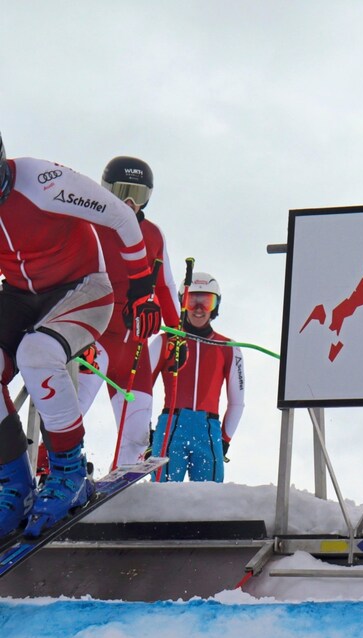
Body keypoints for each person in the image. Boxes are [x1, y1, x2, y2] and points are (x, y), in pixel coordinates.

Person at [0, 132, 162, 538]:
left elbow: (122, 217)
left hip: (83, 287)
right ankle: (14, 486)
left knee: (37, 354)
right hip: (20, 294)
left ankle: (69, 474)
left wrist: (143, 291)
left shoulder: (41, 181)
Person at [76, 157, 181, 468]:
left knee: (137, 434)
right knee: (70, 415)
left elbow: (165, 286)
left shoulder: (153, 235)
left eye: (139, 194)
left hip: (133, 347)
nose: (130, 203)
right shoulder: (89, 226)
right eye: (122, 192)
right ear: (106, 191)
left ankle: (125, 484)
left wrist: (178, 336)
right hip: (94, 340)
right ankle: (50, 470)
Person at [149, 272, 245, 482]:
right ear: (182, 303)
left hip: (208, 429)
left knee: (209, 501)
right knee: (162, 496)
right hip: (171, 425)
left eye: (207, 302)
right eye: (192, 301)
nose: (199, 309)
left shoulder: (229, 348)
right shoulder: (166, 341)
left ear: (216, 306)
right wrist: (144, 431)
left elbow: (237, 402)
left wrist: (224, 439)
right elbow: (140, 389)